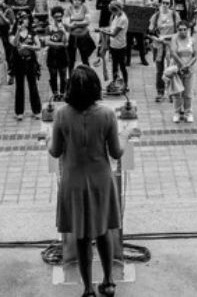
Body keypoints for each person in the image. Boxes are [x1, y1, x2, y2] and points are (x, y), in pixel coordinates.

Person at [47, 65, 124, 297]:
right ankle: (109, 282)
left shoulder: (61, 114)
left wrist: (48, 137)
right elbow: (116, 152)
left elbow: (55, 151)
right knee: (103, 232)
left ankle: (88, 288)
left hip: (74, 182)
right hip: (101, 180)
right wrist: (126, 137)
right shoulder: (107, 114)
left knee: (81, 236)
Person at [166, 22, 197, 123]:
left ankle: (188, 112)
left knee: (188, 93)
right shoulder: (175, 39)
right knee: (177, 92)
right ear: (177, 30)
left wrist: (188, 65)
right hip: (177, 69)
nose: (182, 31)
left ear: (188, 29)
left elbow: (195, 56)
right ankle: (177, 112)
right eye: (180, 29)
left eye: (184, 29)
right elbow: (173, 53)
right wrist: (182, 65)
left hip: (189, 70)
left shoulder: (192, 40)